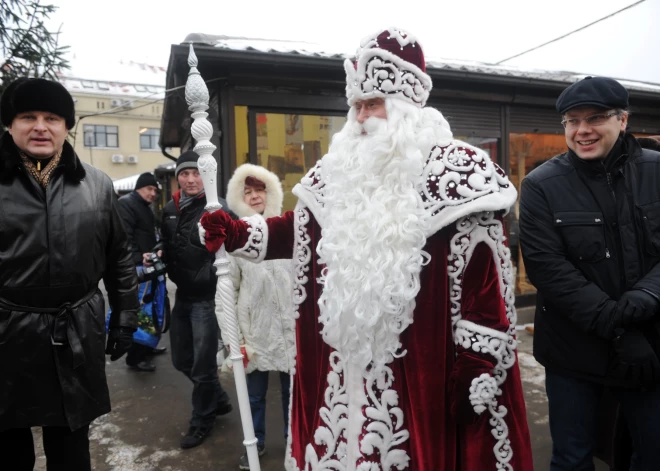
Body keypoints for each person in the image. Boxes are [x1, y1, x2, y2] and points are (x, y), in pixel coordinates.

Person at [200, 28, 533, 470]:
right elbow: (299, 230)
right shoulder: (336, 172)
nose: (360, 118)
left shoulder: (459, 177)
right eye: (356, 105)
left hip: (418, 372)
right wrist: (239, 232)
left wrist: (477, 361)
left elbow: (485, 283)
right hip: (339, 372)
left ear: (406, 108)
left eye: (372, 104)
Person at [519, 76, 660, 471]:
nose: (582, 130)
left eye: (595, 118)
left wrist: (646, 299)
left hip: (649, 349)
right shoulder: (540, 185)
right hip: (573, 352)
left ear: (623, 120)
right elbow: (549, 270)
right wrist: (620, 328)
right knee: (571, 458)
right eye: (571, 120)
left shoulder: (657, 171)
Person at [0, 78, 139, 470]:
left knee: (72, 446)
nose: (40, 126)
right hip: (7, 334)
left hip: (75, 330)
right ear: (10, 125)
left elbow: (119, 256)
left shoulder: (96, 184)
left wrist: (126, 318)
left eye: (52, 117)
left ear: (66, 126)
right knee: (9, 447)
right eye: (28, 116)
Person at [217, 164, 295, 470]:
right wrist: (233, 341)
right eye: (246, 191)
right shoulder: (236, 239)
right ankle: (256, 442)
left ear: (270, 192)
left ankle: (294, 443)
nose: (254, 196)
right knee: (254, 398)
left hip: (291, 333)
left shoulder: (289, 230)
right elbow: (226, 294)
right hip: (255, 335)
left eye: (259, 189)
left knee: (293, 397)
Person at [156, 150, 233, 449]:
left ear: (207, 176)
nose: (190, 179)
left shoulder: (216, 206)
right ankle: (219, 398)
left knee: (202, 368)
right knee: (181, 361)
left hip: (207, 298)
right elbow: (165, 237)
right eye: (184, 174)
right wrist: (159, 249)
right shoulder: (170, 208)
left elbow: (235, 238)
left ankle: (203, 420)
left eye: (196, 173)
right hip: (183, 296)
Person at [117, 172, 167, 372]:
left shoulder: (143, 207)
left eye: (155, 190)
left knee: (152, 310)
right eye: (149, 189)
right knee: (142, 314)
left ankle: (147, 348)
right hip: (139, 271)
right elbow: (124, 238)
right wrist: (139, 260)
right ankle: (135, 358)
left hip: (148, 269)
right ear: (139, 187)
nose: (153, 193)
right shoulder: (127, 204)